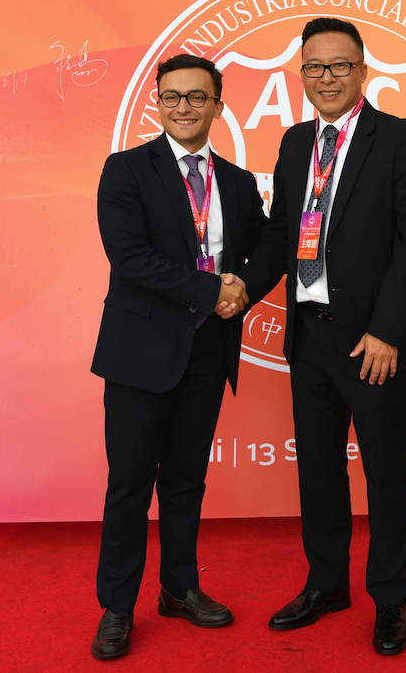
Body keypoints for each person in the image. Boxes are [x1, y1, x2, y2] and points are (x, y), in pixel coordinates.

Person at [236, 17, 406, 655]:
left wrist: (386, 331)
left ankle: (391, 599)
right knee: (318, 473)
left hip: (372, 343)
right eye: (315, 67)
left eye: (340, 65)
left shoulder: (400, 139)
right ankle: (326, 584)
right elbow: (279, 232)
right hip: (310, 338)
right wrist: (241, 288)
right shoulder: (296, 143)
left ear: (363, 71)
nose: (327, 78)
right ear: (302, 74)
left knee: (386, 475)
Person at [89, 53, 266, 660]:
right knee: (130, 484)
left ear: (218, 105)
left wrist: (244, 286)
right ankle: (117, 606)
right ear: (157, 104)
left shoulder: (238, 183)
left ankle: (179, 588)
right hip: (141, 352)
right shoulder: (126, 170)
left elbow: (266, 247)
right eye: (172, 97)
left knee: (187, 479)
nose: (183, 107)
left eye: (196, 97)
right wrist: (213, 289)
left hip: (207, 350)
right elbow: (129, 257)